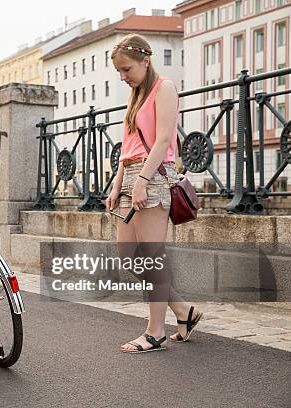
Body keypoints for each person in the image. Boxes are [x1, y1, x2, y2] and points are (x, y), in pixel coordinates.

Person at [105, 34, 203, 353]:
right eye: (119, 71)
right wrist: (117, 182)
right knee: (128, 255)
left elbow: (163, 141)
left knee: (151, 257)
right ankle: (183, 311)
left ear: (145, 61)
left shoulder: (165, 88)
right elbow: (128, 145)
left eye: (126, 69)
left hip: (154, 176)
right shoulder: (136, 94)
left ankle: (155, 331)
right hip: (132, 174)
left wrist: (142, 180)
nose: (123, 77)